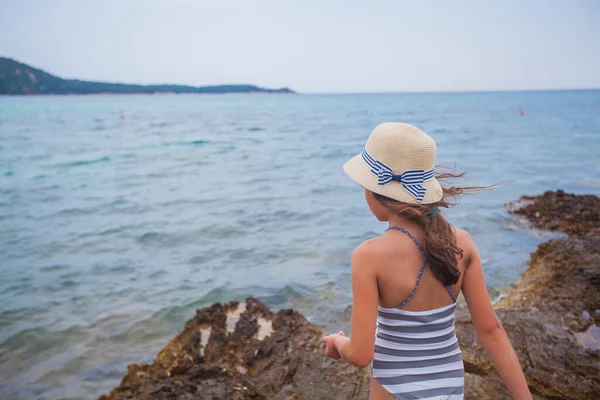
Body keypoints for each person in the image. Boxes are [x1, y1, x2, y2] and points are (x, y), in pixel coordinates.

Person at [322, 123, 531, 399]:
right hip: (450, 386)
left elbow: (361, 354)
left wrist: (338, 342)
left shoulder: (368, 255)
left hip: (393, 390)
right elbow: (492, 331)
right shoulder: (462, 243)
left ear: (375, 191)